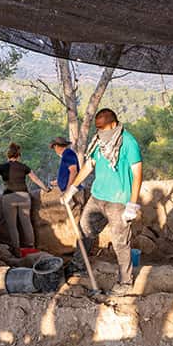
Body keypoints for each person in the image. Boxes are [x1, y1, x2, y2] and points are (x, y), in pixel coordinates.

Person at [64, 108, 142, 294]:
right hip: (97, 197)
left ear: (113, 124)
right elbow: (89, 165)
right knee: (84, 230)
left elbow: (137, 174)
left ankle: (125, 282)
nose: (100, 133)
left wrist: (132, 204)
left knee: (120, 242)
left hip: (119, 201)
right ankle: (78, 265)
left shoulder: (128, 143)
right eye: (97, 129)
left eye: (103, 129)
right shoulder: (99, 141)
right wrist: (72, 188)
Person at [0, 142, 48, 257]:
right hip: (24, 196)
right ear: (19, 156)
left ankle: (17, 250)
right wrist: (45, 188)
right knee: (26, 222)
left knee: (12, 225)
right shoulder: (23, 167)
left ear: (8, 156)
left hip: (9, 197)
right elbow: (36, 179)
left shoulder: (2, 167)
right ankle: (31, 247)